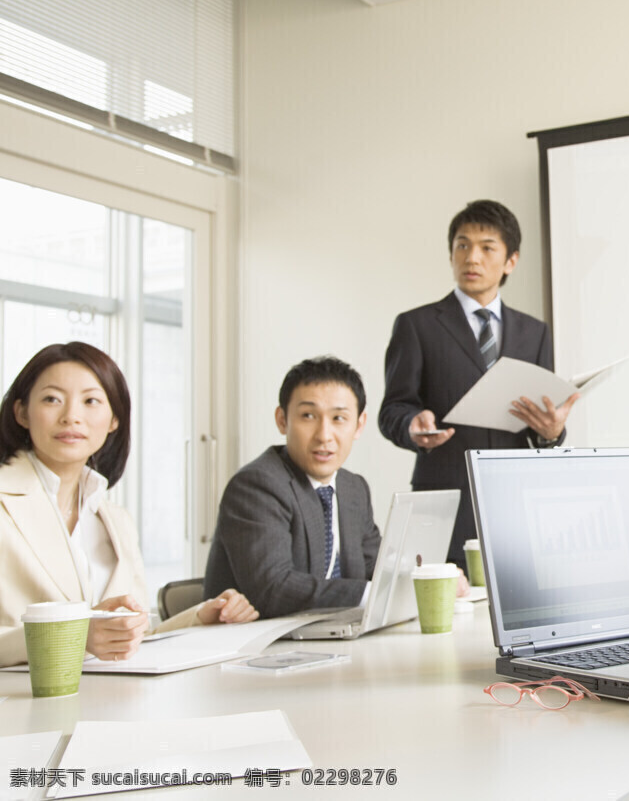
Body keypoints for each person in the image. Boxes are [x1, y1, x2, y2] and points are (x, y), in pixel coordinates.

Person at [0, 342, 257, 668]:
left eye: (91, 401)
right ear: (21, 412)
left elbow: (133, 636)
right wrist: (75, 635)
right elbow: (86, 638)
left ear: (113, 421)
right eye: (52, 399)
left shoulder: (116, 520)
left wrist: (202, 616)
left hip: (107, 705)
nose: (71, 417)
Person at [379, 199, 579, 567]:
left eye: (487, 248)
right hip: (445, 502)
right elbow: (392, 409)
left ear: (510, 261)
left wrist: (552, 432)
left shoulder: (534, 332)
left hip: (517, 504)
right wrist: (411, 425)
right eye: (462, 245)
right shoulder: (417, 325)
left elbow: (539, 426)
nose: (472, 258)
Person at [205, 357, 383, 618]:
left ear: (359, 425)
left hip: (331, 640)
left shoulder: (353, 488)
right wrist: (373, 595)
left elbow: (374, 568)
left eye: (338, 418)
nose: (324, 434)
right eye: (308, 416)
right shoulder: (256, 486)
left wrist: (429, 577)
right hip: (259, 648)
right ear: (282, 420)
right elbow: (272, 589)